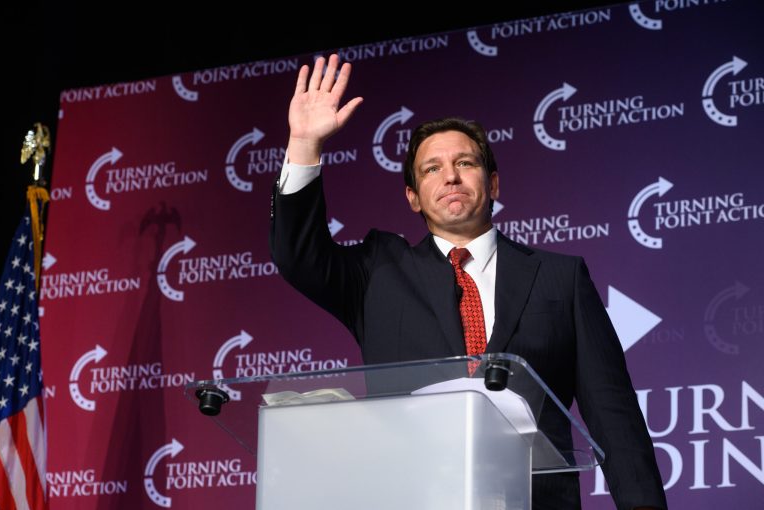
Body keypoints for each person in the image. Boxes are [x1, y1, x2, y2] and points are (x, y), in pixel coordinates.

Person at [270, 54, 667, 510]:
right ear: (413, 198)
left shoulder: (561, 277)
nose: (451, 176)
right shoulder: (377, 271)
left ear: (493, 184)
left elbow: (616, 421)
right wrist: (303, 145)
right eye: (431, 169)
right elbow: (297, 257)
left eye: (465, 162)